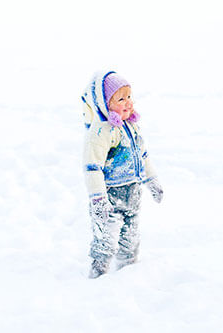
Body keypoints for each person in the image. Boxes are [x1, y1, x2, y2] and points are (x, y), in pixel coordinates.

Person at [81, 70, 163, 278]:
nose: (128, 102)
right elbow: (93, 168)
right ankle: (98, 274)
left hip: (132, 194)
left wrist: (152, 181)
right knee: (105, 239)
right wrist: (98, 199)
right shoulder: (101, 132)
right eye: (121, 98)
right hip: (110, 197)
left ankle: (128, 274)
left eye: (129, 96)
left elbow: (143, 156)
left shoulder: (131, 127)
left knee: (131, 238)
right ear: (104, 104)